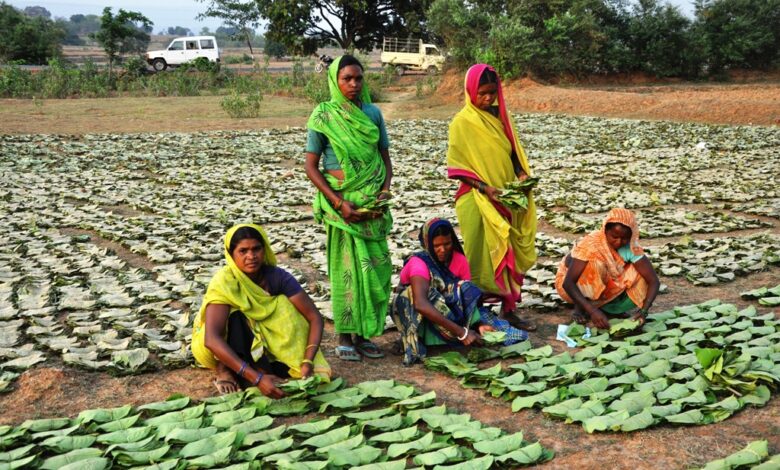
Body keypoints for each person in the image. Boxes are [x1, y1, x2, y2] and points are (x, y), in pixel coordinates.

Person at [304, 55, 393, 361]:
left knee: (376, 268)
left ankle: (365, 334)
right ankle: (344, 334)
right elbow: (311, 167)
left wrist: (383, 192)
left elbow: (385, 159)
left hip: (371, 204)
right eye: (346, 79)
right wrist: (339, 202)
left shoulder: (373, 113)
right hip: (341, 205)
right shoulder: (324, 116)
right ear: (334, 81)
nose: (353, 84)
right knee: (346, 271)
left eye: (358, 78)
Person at [446, 64, 538, 330]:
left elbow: (511, 152)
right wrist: (486, 188)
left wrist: (521, 174)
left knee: (508, 252)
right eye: (482, 93)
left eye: (491, 93)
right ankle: (477, 313)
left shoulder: (500, 116)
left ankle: (509, 310)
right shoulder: (462, 122)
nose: (487, 98)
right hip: (476, 199)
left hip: (506, 196)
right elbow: (458, 169)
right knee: (481, 256)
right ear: (470, 91)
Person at [191, 224, 331, 397]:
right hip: (220, 343)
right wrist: (257, 378)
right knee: (235, 314)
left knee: (283, 305)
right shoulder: (224, 282)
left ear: (264, 250)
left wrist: (308, 360)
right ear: (231, 255)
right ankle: (226, 368)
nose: (251, 256)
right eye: (243, 251)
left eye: (256, 249)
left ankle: (264, 366)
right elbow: (211, 339)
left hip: (262, 339)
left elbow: (314, 317)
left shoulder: (277, 277)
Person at [391, 218, 528, 366]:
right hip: (418, 314)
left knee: (466, 288)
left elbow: (467, 298)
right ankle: (416, 337)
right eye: (436, 245)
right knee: (422, 295)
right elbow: (420, 304)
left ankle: (463, 332)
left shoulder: (459, 260)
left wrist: (478, 324)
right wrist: (462, 333)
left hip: (448, 312)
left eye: (447, 244)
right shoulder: (419, 264)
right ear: (427, 244)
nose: (442, 250)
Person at [554, 208, 661, 329]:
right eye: (614, 237)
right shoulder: (591, 244)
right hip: (572, 286)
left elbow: (653, 281)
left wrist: (644, 311)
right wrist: (592, 312)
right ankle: (580, 308)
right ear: (605, 231)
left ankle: (610, 308)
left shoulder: (631, 247)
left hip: (604, 284)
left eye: (624, 238)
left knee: (640, 274)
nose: (619, 242)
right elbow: (568, 283)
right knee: (594, 265)